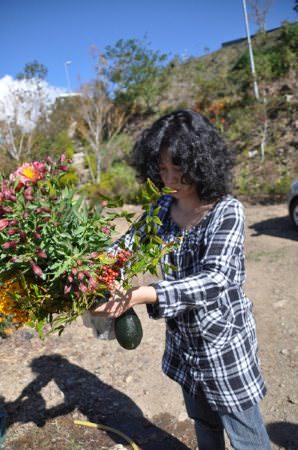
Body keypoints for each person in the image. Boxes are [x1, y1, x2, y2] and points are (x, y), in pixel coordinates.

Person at [91, 109, 272, 450]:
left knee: (246, 437)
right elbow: (127, 246)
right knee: (203, 422)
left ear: (201, 164)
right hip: (185, 345)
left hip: (223, 346)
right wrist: (95, 268)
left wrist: (142, 294)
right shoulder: (162, 207)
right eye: (162, 170)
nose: (170, 179)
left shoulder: (226, 211)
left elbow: (215, 279)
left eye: (179, 169)